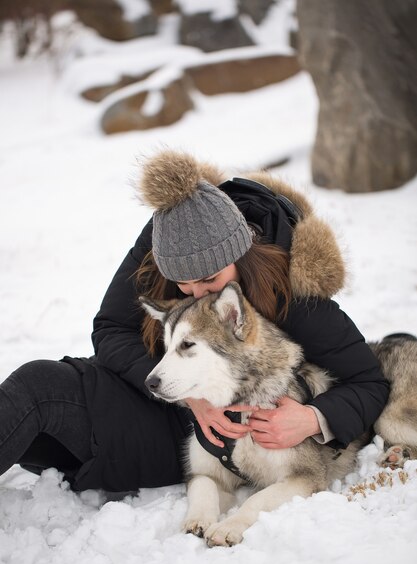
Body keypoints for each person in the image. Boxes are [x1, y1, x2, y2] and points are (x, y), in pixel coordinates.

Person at [0, 150, 389, 493]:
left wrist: (311, 418)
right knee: (30, 407)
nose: (196, 295)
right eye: (182, 284)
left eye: (209, 280)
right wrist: (192, 399)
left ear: (242, 256)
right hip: (146, 387)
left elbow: (369, 383)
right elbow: (111, 328)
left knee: (36, 395)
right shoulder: (170, 234)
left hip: (203, 441)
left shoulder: (291, 288)